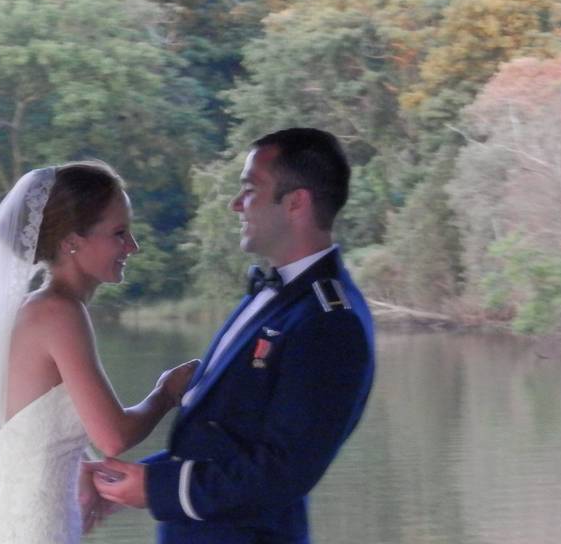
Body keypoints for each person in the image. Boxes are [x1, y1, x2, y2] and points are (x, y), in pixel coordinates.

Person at [94, 128, 376, 544]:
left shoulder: (329, 321)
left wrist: (155, 488)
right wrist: (127, 483)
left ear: (296, 202)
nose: (235, 204)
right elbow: (223, 442)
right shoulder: (276, 294)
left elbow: (282, 471)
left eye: (249, 190)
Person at [0, 161, 199, 544]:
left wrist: (82, 468)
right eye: (119, 233)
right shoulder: (58, 313)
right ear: (73, 240)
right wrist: (166, 393)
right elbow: (113, 437)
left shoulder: (38, 310)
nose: (132, 247)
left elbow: (31, 432)